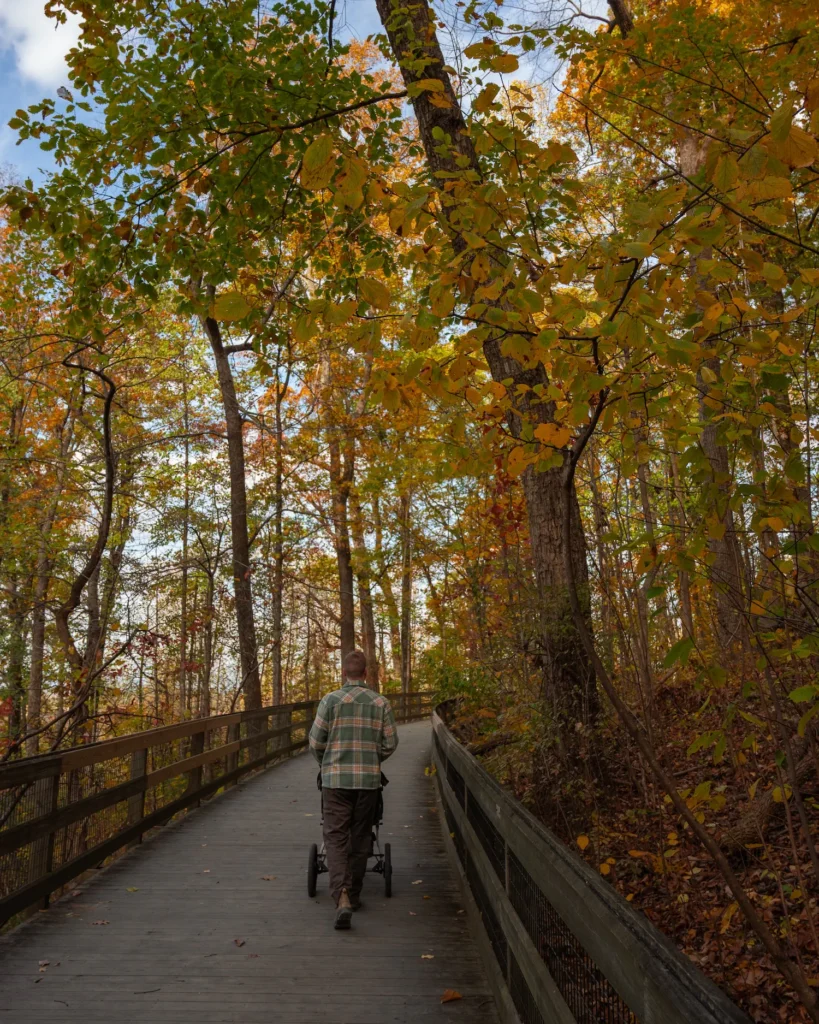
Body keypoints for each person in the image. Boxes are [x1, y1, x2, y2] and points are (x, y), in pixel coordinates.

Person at [309, 649, 398, 930]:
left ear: (344, 673)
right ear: (367, 674)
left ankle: (342, 895)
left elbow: (315, 741)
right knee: (361, 836)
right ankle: (355, 894)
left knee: (334, 837)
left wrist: (327, 762)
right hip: (368, 782)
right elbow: (390, 742)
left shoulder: (330, 700)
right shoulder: (380, 703)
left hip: (335, 781)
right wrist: (372, 758)